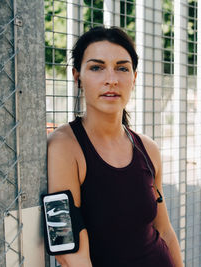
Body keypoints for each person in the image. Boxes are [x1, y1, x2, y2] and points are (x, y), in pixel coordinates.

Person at [47, 26, 183, 267]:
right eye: (97, 67)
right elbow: (66, 247)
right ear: (77, 77)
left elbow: (164, 230)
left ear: (134, 78)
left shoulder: (148, 149)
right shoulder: (64, 146)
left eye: (122, 68)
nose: (111, 79)